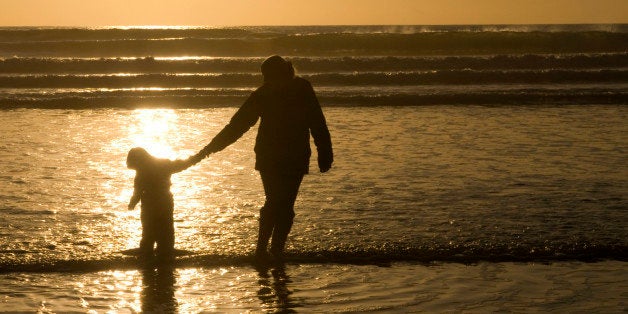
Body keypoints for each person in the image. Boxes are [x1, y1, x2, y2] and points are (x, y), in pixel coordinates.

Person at [194, 55, 333, 260]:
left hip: (294, 154)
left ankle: (275, 250)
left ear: (283, 72)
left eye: (269, 76)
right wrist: (209, 149)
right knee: (276, 201)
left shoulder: (302, 88)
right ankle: (262, 249)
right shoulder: (264, 93)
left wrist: (325, 152)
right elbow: (237, 126)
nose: (267, 80)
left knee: (285, 204)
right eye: (265, 77)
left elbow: (317, 120)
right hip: (271, 155)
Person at [127, 147, 200, 259]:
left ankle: (150, 251)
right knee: (165, 228)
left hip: (151, 204)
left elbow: (138, 190)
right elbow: (180, 165)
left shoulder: (142, 171)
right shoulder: (162, 164)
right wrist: (194, 159)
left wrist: (133, 202)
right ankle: (164, 249)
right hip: (163, 201)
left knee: (149, 229)